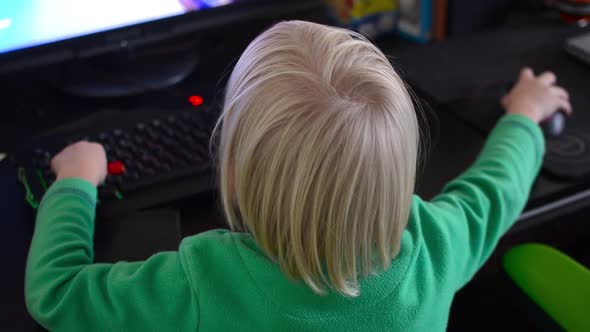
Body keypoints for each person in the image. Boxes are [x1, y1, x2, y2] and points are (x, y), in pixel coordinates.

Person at [25, 21, 571, 331]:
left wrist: (74, 185)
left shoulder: (204, 283)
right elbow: (494, 190)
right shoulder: (433, 246)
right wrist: (524, 116)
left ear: (232, 174)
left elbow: (56, 294)